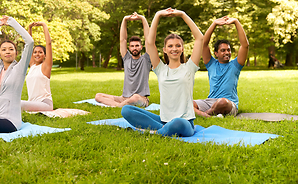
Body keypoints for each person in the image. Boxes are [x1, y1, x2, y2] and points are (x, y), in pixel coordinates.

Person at [121, 8, 204, 137]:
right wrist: (158, 15)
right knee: (126, 110)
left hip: (184, 122)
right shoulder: (160, 69)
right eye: (170, 46)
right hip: (163, 120)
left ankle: (153, 133)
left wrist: (183, 14)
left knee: (177, 123)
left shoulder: (189, 68)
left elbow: (199, 39)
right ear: (164, 50)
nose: (174, 49)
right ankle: (163, 129)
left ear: (182, 49)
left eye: (178, 45)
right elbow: (150, 42)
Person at [193, 16, 249, 117]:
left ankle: (205, 115)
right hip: (210, 102)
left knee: (222, 102)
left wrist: (236, 22)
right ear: (216, 53)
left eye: (228, 50)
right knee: (188, 103)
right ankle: (211, 114)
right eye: (223, 50)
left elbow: (245, 45)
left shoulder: (235, 65)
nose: (227, 52)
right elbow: (204, 44)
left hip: (228, 104)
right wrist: (214, 24)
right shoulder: (211, 64)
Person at [95, 12, 151, 107]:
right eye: (132, 46)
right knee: (98, 96)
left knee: (135, 98)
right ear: (129, 48)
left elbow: (148, 39)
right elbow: (123, 40)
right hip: (124, 97)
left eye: (137, 46)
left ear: (141, 47)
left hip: (140, 98)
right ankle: (123, 104)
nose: (134, 48)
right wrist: (125, 19)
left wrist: (142, 18)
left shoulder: (146, 59)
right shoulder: (127, 58)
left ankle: (118, 105)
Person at [21, 21, 53, 111]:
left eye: (40, 52)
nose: (37, 54)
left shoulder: (46, 66)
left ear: (45, 55)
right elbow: (29, 45)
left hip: (45, 103)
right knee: (12, 102)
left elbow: (49, 44)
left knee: (18, 104)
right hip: (33, 102)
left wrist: (44, 25)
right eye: (35, 52)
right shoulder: (32, 65)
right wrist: (30, 28)